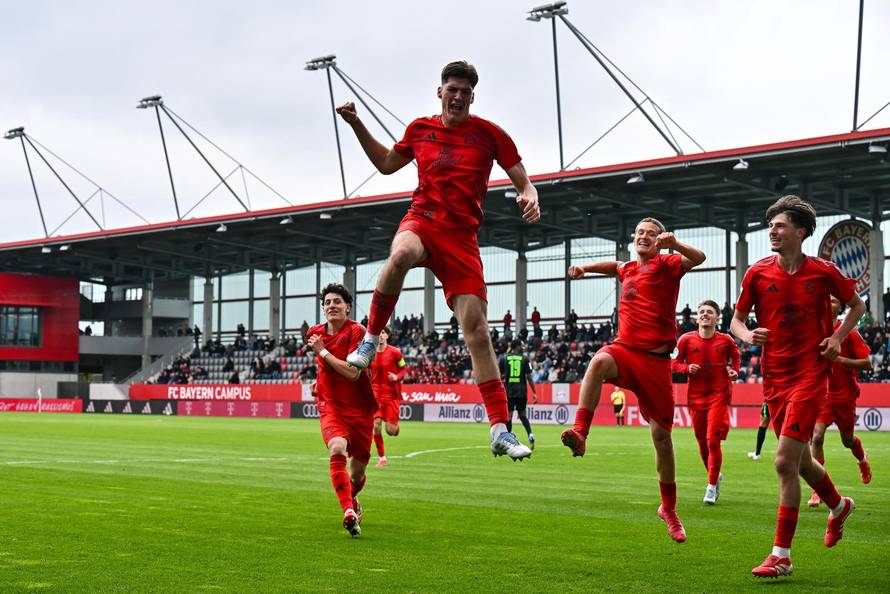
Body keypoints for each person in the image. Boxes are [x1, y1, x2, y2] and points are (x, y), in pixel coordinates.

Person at [336, 60, 540, 460]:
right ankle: (371, 339)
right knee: (400, 254)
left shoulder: (489, 134)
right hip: (423, 221)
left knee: (477, 331)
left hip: (462, 239)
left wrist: (530, 193)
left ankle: (500, 429)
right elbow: (385, 165)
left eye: (465, 91)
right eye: (453, 89)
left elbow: (523, 178)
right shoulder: (419, 129)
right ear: (440, 91)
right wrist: (357, 124)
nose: (459, 96)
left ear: (472, 97)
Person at [730, 195, 865, 578]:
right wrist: (746, 334)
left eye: (780, 225)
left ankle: (781, 556)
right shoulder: (757, 273)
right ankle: (840, 507)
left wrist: (838, 338)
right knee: (802, 461)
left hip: (810, 375)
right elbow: (736, 321)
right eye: (770, 225)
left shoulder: (823, 271)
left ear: (800, 232)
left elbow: (856, 305)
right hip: (774, 378)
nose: (772, 231)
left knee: (784, 461)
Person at [561, 217, 706, 543]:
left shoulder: (667, 263)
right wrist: (584, 268)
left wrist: (676, 244)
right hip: (626, 350)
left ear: (659, 240)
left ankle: (668, 508)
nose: (644, 237)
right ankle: (581, 432)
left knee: (662, 439)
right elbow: (613, 265)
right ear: (633, 238)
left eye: (651, 234)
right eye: (640, 232)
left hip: (656, 363)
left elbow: (699, 258)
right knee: (598, 362)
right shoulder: (627, 268)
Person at [305, 283, 378, 537]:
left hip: (360, 410)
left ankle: (353, 498)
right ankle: (348, 511)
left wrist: (322, 352)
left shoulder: (357, 332)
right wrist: (320, 382)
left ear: (348, 307)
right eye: (327, 302)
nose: (331, 306)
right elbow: (325, 365)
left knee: (357, 476)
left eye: (337, 301)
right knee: (336, 447)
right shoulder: (315, 333)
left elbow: (352, 373)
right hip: (331, 406)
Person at [671, 299, 740, 505]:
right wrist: (686, 369)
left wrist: (734, 371)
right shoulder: (685, 340)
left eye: (709, 312)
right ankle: (715, 475)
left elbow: (736, 357)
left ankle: (711, 486)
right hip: (695, 398)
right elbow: (673, 363)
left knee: (712, 440)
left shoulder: (726, 340)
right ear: (696, 317)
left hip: (719, 395)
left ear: (717, 318)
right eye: (701, 311)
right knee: (702, 443)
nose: (705, 314)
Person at [807, 295, 873, 507]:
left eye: (834, 300)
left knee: (848, 440)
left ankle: (861, 458)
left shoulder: (849, 333)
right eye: (826, 300)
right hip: (821, 395)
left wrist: (840, 360)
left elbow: (867, 363)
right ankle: (817, 490)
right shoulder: (813, 332)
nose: (829, 303)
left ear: (841, 307)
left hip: (845, 396)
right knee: (816, 438)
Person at [369, 326, 408, 468]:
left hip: (391, 395)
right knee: (376, 426)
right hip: (375, 394)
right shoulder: (370, 353)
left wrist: (396, 376)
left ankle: (395, 428)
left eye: (383, 332)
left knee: (390, 431)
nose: (380, 335)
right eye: (378, 333)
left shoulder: (395, 353)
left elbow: (404, 369)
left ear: (387, 336)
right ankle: (382, 458)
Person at [500, 339, 537, 449]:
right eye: (521, 345)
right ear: (517, 346)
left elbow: (498, 374)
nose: (523, 347)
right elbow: (529, 377)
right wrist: (534, 392)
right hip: (522, 391)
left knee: (509, 416)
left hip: (509, 390)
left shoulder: (504, 358)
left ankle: (508, 440)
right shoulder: (525, 359)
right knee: (522, 415)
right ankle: (530, 434)